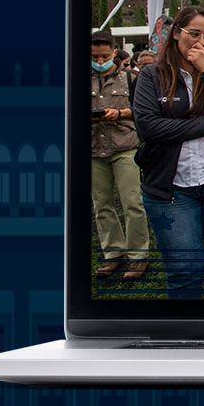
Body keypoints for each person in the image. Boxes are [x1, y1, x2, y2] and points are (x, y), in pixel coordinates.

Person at [132, 6, 204, 299]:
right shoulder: (151, 76)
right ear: (176, 33)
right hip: (170, 191)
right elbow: (148, 128)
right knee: (184, 273)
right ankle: (187, 340)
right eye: (194, 34)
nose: (202, 42)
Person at [90, 31, 150, 280]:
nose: (100, 60)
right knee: (101, 205)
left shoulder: (131, 78)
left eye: (104, 55)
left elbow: (143, 110)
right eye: (95, 56)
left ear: (114, 53)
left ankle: (138, 257)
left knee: (132, 203)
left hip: (125, 147)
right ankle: (112, 254)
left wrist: (122, 113)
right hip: (94, 149)